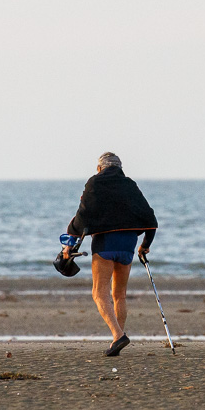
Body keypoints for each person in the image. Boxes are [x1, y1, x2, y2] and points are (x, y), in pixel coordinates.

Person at [62, 152, 157, 356]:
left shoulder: (95, 183)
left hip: (106, 243)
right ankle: (117, 340)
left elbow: (83, 215)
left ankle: (118, 336)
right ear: (120, 168)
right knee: (119, 294)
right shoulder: (129, 185)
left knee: (99, 293)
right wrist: (145, 245)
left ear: (99, 168)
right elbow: (150, 219)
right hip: (128, 244)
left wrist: (70, 242)